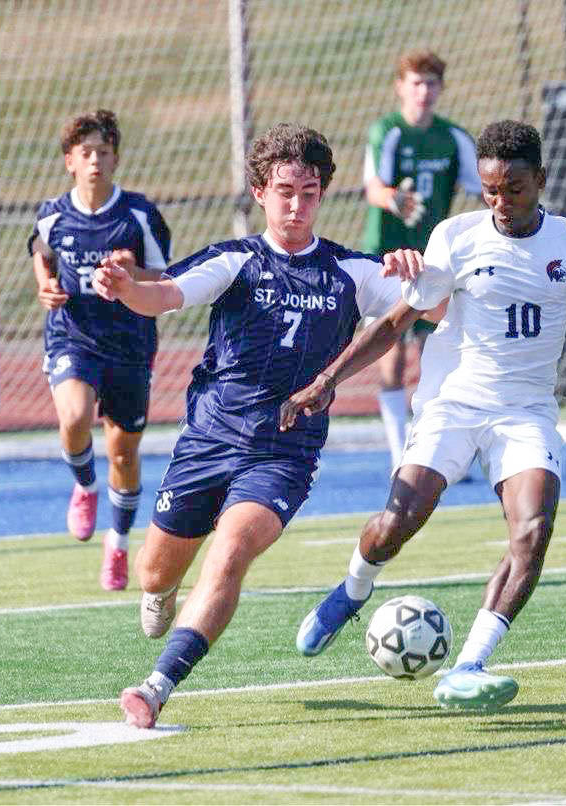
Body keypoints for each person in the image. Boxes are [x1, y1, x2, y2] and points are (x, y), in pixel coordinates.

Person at [282, 119, 566, 710]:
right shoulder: (457, 235)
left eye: (515, 189)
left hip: (525, 412)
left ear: (542, 181)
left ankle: (468, 665)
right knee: (397, 521)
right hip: (452, 402)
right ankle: (352, 589)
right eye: (491, 190)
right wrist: (327, 379)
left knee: (533, 531)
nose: (501, 202)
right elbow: (397, 322)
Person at [91, 123, 420, 729]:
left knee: (230, 551)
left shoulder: (350, 270)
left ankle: (157, 685)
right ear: (261, 192)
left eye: (311, 192)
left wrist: (416, 271)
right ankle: (160, 594)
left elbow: (432, 302)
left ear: (324, 195)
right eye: (285, 190)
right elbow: (163, 296)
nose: (297, 205)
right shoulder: (236, 260)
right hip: (210, 439)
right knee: (157, 574)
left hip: (283, 453)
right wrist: (122, 289)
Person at [28, 109, 171, 591]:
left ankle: (118, 543)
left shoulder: (138, 215)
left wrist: (133, 274)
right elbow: (40, 252)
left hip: (130, 345)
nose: (95, 161)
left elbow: (165, 277)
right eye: (85, 152)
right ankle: (85, 487)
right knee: (73, 417)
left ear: (115, 159)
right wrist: (45, 286)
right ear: (70, 161)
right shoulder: (52, 214)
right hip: (74, 335)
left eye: (103, 152)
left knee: (124, 455)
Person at [362, 49, 482, 469]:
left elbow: (484, 188)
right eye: (416, 82)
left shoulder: (453, 137)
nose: (424, 91)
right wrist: (395, 200)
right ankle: (401, 453)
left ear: (441, 88)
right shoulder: (388, 131)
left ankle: (437, 451)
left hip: (434, 260)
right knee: (390, 353)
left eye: (431, 83)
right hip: (390, 258)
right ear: (401, 87)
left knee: (442, 352)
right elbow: (374, 188)